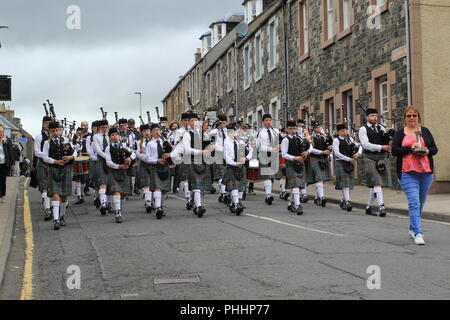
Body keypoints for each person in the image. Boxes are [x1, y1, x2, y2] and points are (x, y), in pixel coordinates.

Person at [392, 106, 438, 245]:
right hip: (407, 172)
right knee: (414, 202)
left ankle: (412, 228)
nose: (412, 118)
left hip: (425, 172)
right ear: (405, 119)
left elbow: (434, 148)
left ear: (418, 117)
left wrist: (426, 151)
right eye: (409, 116)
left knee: (421, 202)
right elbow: (395, 151)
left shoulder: (425, 131)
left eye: (414, 115)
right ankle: (418, 233)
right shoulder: (400, 133)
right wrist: (409, 148)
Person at [42, 121, 77, 230]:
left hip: (66, 169)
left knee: (64, 196)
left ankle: (62, 216)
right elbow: (44, 157)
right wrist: (55, 161)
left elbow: (75, 152)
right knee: (55, 194)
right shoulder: (47, 143)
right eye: (53, 131)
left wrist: (70, 157)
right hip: (54, 169)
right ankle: (56, 219)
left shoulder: (66, 140)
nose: (55, 132)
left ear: (60, 130)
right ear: (49, 132)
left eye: (57, 130)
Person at [359, 108, 393, 217]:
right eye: (372, 116)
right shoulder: (363, 129)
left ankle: (369, 207)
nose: (375, 118)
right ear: (367, 117)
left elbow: (387, 139)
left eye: (376, 115)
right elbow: (365, 145)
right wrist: (382, 147)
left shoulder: (381, 127)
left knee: (376, 184)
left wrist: (390, 136)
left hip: (382, 157)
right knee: (377, 181)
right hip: (369, 157)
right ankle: (381, 206)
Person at [105, 127, 136, 223]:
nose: (115, 137)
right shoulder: (108, 148)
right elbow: (108, 162)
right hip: (114, 171)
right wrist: (119, 166)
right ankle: (118, 213)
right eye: (113, 135)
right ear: (109, 137)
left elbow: (134, 153)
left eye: (116, 135)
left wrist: (130, 158)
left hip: (124, 171)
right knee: (116, 192)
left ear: (119, 136)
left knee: (123, 194)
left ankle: (119, 209)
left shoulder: (123, 145)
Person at [281, 121, 311, 215]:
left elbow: (310, 147)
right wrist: (294, 158)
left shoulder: (300, 138)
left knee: (298, 185)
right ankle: (298, 205)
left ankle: (291, 204)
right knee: (296, 185)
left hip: (300, 164)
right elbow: (284, 154)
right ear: (287, 129)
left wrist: (307, 152)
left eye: (294, 128)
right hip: (291, 164)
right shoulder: (285, 140)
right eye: (290, 129)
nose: (293, 130)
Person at [142, 124, 171, 219]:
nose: (157, 132)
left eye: (158, 129)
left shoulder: (165, 142)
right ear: (151, 132)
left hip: (165, 166)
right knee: (158, 187)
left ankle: (161, 206)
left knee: (164, 190)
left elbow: (172, 152)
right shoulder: (150, 144)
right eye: (154, 130)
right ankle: (158, 208)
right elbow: (147, 158)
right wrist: (156, 161)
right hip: (155, 166)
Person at [224, 123, 253, 215]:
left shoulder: (240, 142)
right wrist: (235, 163)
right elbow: (226, 156)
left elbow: (250, 152)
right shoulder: (226, 141)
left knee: (241, 185)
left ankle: (236, 202)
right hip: (232, 166)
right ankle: (237, 204)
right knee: (234, 186)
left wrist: (246, 158)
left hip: (241, 166)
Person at [333, 124, 362, 212]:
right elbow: (337, 153)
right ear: (338, 132)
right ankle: (348, 202)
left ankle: (344, 200)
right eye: (342, 131)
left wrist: (358, 154)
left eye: (345, 130)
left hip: (350, 163)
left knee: (348, 183)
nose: (344, 132)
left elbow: (360, 146)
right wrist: (348, 159)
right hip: (341, 162)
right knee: (345, 183)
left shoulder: (350, 139)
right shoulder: (336, 140)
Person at [309, 122, 334, 207]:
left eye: (319, 127)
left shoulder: (324, 136)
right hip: (314, 158)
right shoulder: (310, 137)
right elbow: (311, 149)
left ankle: (317, 197)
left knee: (322, 179)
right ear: (313, 128)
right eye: (316, 127)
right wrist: (322, 152)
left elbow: (330, 144)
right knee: (319, 177)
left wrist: (330, 149)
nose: (318, 129)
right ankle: (322, 197)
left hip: (323, 158)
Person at [256, 114, 279, 205]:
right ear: (263, 122)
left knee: (271, 176)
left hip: (274, 156)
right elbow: (258, 146)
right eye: (266, 120)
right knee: (267, 176)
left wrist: (279, 146)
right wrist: (270, 149)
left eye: (270, 120)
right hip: (264, 155)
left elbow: (280, 141)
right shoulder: (260, 132)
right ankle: (268, 195)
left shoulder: (275, 131)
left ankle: (268, 193)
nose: (268, 122)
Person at [33, 115, 53, 220]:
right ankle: (47, 209)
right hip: (42, 164)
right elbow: (36, 152)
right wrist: (46, 156)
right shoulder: (39, 137)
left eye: (50, 123)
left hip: (53, 164)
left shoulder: (55, 136)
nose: (48, 125)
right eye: (46, 123)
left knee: (52, 187)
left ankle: (53, 205)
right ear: (42, 124)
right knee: (44, 187)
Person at [0, 126, 15, 203]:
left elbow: (11, 153)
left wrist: (12, 164)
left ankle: (3, 195)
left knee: (3, 180)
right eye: (0, 132)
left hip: (5, 164)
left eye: (2, 131)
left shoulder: (7, 140)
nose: (1, 133)